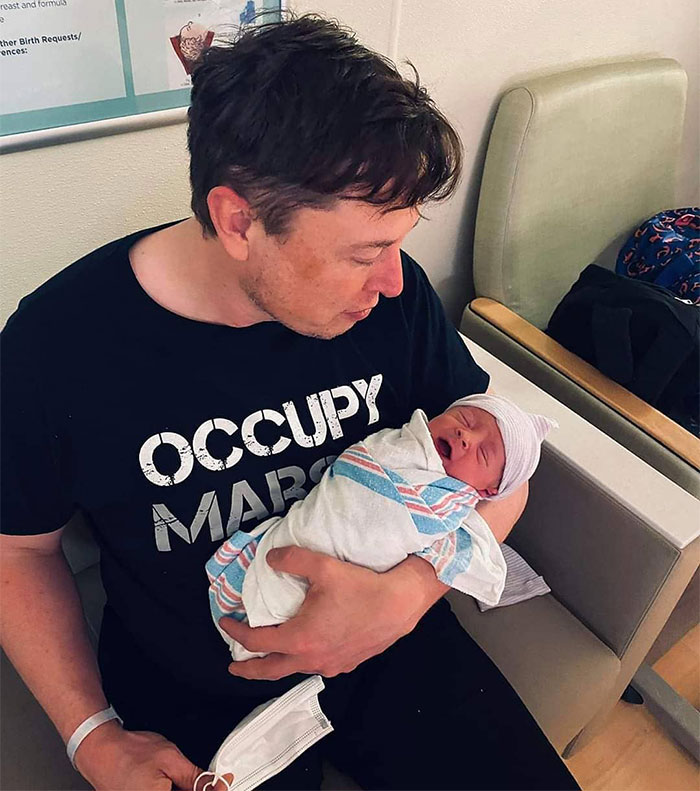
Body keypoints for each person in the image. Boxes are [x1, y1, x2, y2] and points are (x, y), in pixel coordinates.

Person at [0, 14, 579, 791]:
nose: (397, 281)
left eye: (399, 243)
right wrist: (91, 736)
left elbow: (501, 469)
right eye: (366, 253)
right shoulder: (57, 347)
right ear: (240, 221)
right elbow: (17, 551)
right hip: (198, 696)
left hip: (396, 643)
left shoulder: (389, 307)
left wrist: (403, 600)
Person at [208, 394, 556, 662]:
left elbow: (492, 511)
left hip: (374, 612)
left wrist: (407, 593)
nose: (466, 435)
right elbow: (360, 467)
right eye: (464, 418)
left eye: (484, 454)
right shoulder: (401, 444)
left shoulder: (451, 501)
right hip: (292, 541)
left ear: (484, 492)